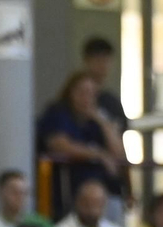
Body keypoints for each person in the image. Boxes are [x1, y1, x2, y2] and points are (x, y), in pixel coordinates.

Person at [35, 72, 126, 219]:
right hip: (67, 191)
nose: (86, 98)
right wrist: (99, 155)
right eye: (82, 92)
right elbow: (59, 144)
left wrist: (102, 122)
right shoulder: (58, 112)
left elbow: (118, 153)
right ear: (70, 92)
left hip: (104, 190)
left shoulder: (97, 119)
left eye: (92, 93)